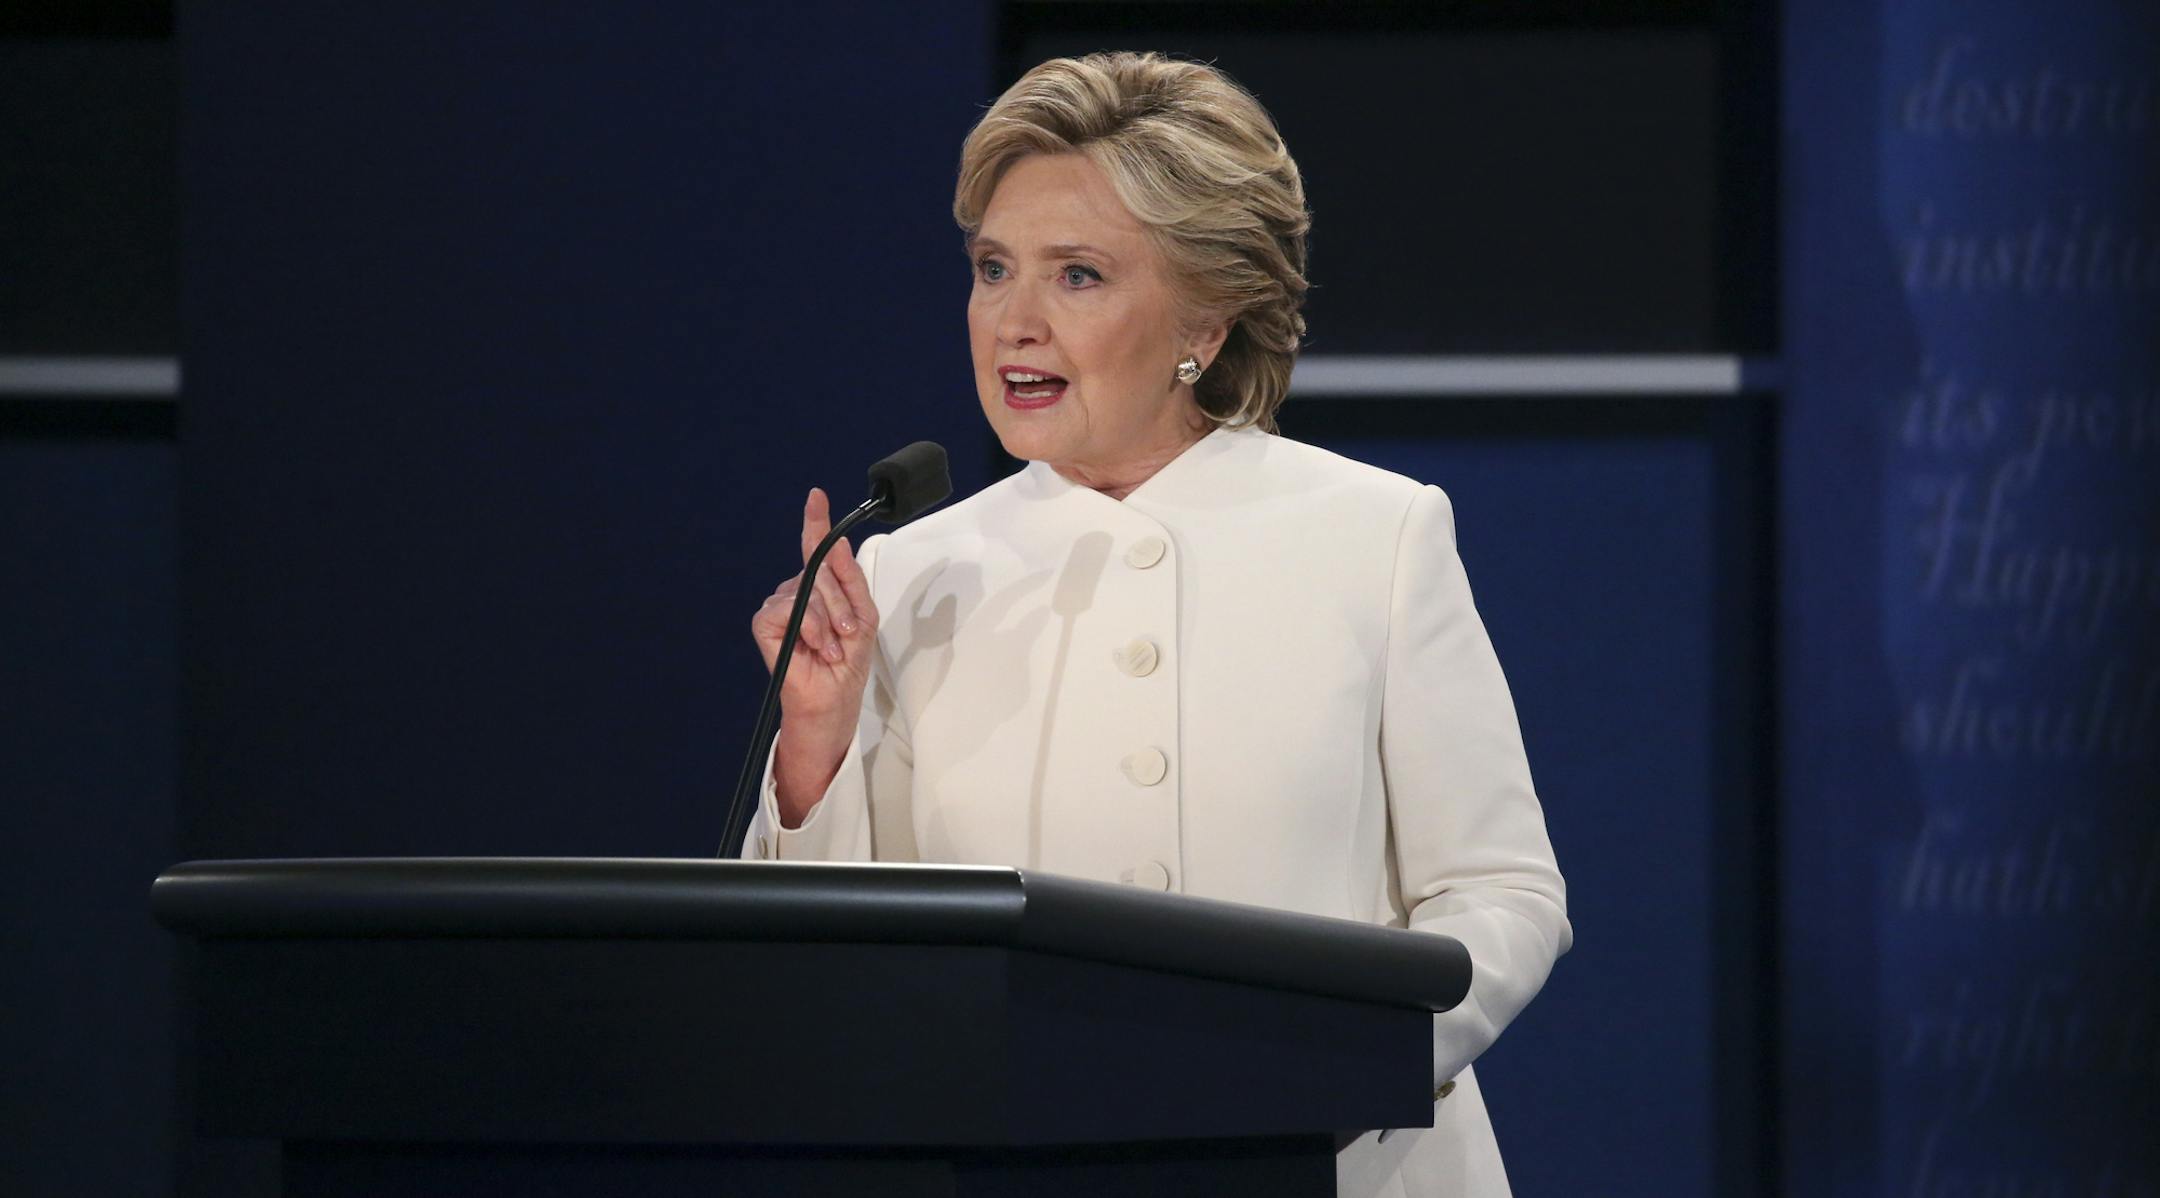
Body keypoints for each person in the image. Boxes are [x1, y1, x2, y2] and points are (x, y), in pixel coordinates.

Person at [739, 51, 1569, 1198]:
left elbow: (1505, 893)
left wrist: (1353, 1067)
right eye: (993, 269)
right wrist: (814, 752)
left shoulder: (1375, 534)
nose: (1014, 322)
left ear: (1208, 319)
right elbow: (835, 969)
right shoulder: (912, 568)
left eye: (1076, 275)